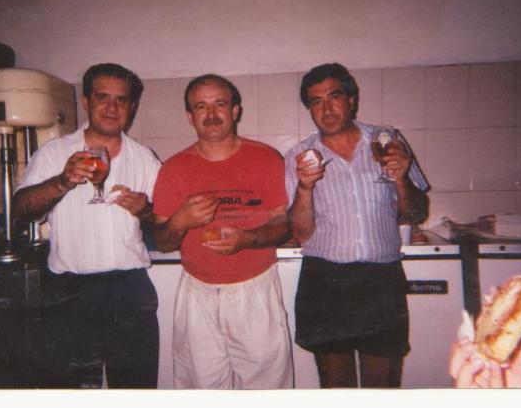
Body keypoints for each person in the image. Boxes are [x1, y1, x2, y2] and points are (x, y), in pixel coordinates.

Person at [13, 63, 160, 388]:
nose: (112, 107)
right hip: (69, 294)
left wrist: (145, 210)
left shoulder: (145, 158)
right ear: (86, 101)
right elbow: (20, 211)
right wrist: (62, 181)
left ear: (132, 107)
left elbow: (162, 222)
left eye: (121, 100)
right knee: (69, 390)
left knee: (136, 390)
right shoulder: (54, 152)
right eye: (103, 97)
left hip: (128, 291)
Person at [285, 63, 430, 388]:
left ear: (352, 99)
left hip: (381, 279)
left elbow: (416, 213)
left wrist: (402, 179)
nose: (327, 109)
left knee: (382, 388)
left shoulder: (387, 141)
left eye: (334, 97)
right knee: (337, 389)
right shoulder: (298, 156)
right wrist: (305, 188)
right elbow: (300, 234)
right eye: (316, 102)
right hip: (325, 280)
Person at [151, 74, 293, 389]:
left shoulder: (266, 158)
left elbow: (283, 226)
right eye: (200, 106)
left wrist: (248, 239)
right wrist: (180, 221)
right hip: (197, 294)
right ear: (190, 117)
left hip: (256, 291)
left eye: (220, 104)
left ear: (235, 111)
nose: (211, 114)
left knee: (267, 392)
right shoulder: (173, 169)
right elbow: (162, 242)